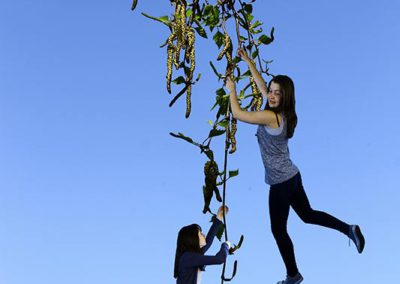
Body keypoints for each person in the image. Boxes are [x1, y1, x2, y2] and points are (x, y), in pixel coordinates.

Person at [225, 48, 365, 284]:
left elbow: (237, 113)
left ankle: (293, 275)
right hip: (292, 176)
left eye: (276, 93)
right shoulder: (284, 114)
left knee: (278, 230)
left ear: (285, 96)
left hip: (280, 183)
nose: (270, 95)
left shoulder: (271, 117)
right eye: (270, 91)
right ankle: (349, 229)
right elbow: (261, 85)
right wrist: (248, 60)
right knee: (308, 215)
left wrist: (232, 90)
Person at [174, 206, 230, 284]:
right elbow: (220, 259)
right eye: (200, 233)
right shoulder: (188, 258)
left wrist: (218, 218)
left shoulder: (191, 257)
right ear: (193, 239)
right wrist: (225, 245)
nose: (203, 235)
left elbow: (208, 242)